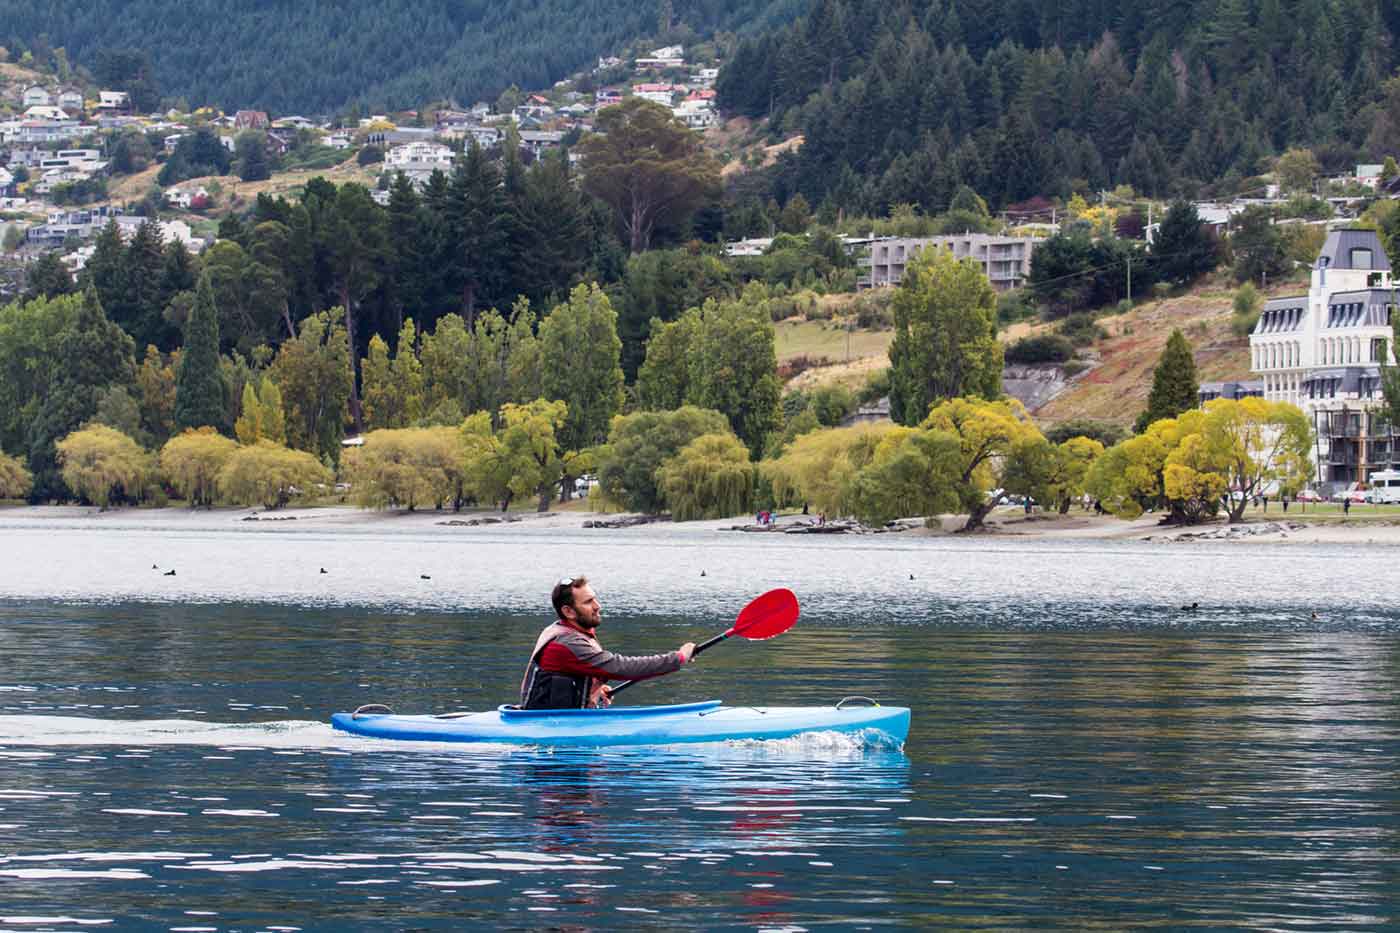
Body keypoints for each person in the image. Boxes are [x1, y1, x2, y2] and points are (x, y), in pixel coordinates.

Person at [519, 576, 695, 710]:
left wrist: (593, 689)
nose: (598, 606)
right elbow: (620, 667)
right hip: (550, 724)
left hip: (561, 720)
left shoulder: (567, 631)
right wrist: (677, 658)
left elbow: (573, 672)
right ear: (568, 611)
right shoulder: (566, 643)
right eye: (588, 602)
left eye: (594, 598)